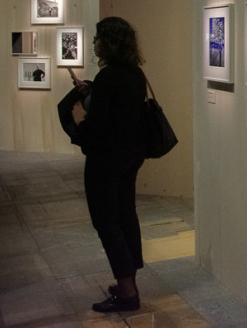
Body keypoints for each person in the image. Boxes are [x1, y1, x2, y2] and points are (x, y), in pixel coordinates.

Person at [71, 17, 148, 313]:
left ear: (109, 42)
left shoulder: (108, 78)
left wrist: (80, 121)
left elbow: (98, 127)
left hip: (106, 160)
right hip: (131, 156)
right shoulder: (135, 74)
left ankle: (127, 293)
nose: (94, 43)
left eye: (97, 37)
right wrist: (92, 91)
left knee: (106, 222)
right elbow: (123, 112)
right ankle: (130, 282)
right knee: (126, 215)